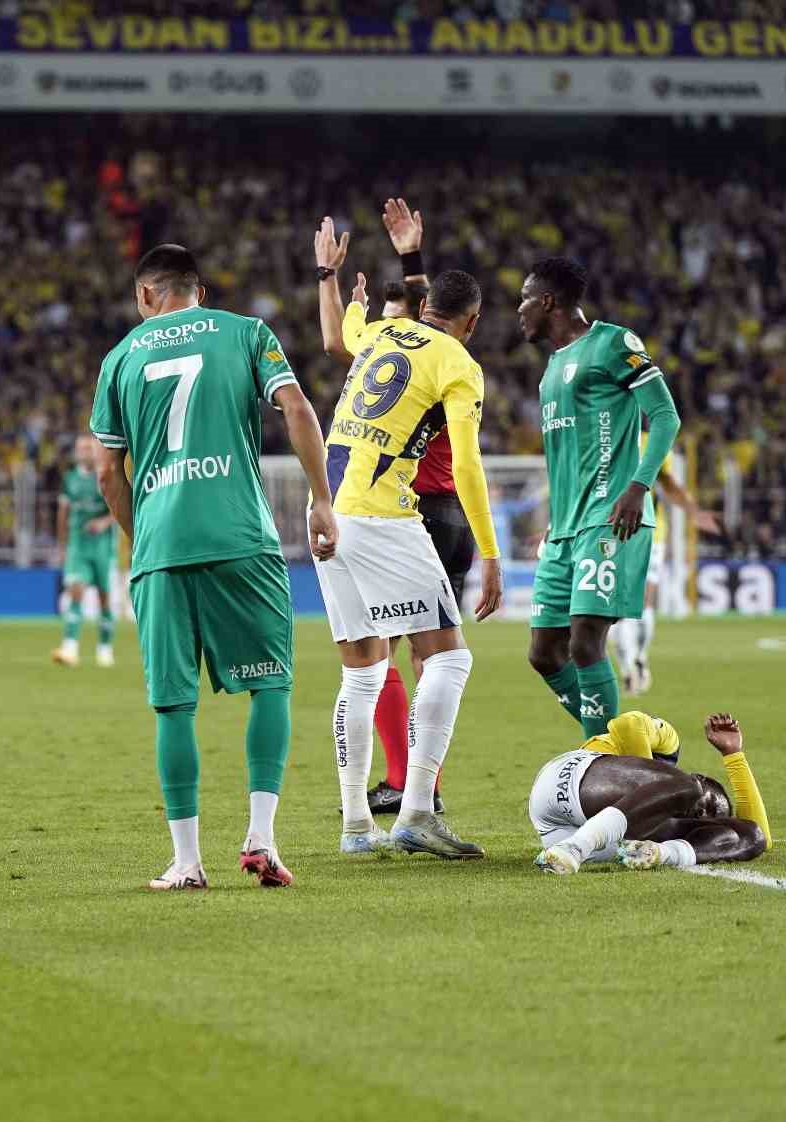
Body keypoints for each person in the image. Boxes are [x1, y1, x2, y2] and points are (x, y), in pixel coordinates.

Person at [90, 243, 337, 891]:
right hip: (241, 534)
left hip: (162, 544)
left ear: (147, 295)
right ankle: (262, 837)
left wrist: (143, 536)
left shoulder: (120, 358)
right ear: (199, 289)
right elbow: (299, 411)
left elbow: (106, 471)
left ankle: (187, 862)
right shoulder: (247, 332)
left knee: (173, 706)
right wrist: (321, 501)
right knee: (271, 685)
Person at [311, 217, 503, 860]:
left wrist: (334, 281)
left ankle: (355, 826)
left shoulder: (382, 332)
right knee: (449, 656)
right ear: (470, 322)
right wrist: (494, 553)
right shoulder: (459, 362)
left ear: (424, 308)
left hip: (326, 515)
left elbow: (343, 334)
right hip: (384, 514)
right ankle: (418, 809)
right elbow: (469, 466)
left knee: (363, 670)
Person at [317, 200, 462, 817]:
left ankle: (413, 789)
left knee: (410, 656)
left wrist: (406, 261)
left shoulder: (410, 353)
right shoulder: (421, 356)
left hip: (411, 510)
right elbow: (345, 336)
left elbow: (344, 337)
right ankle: (410, 785)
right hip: (400, 509)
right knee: (401, 656)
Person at [517, 258, 682, 738]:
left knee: (587, 643)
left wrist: (638, 486)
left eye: (524, 299)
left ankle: (605, 763)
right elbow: (568, 457)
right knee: (544, 653)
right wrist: (555, 516)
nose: (518, 311)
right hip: (565, 528)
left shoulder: (613, 343)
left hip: (611, 517)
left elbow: (665, 416)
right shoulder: (550, 370)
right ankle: (627, 749)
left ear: (548, 301)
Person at [530, 710, 770, 874]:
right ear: (698, 777)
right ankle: (575, 847)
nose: (699, 813)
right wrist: (650, 794)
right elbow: (628, 723)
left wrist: (734, 755)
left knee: (753, 836)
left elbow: (759, 837)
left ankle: (663, 855)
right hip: (569, 779)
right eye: (705, 803)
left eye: (705, 819)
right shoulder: (669, 752)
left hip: (564, 832)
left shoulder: (669, 828)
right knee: (687, 788)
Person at [611, 454, 721, 695]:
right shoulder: (653, 440)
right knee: (645, 603)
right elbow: (668, 483)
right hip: (651, 532)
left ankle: (627, 668)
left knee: (616, 608)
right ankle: (640, 657)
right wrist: (693, 511)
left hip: (612, 530)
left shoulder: (604, 432)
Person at [52, 433, 118, 668]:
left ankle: (105, 648)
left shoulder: (105, 476)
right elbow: (63, 513)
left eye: (89, 448)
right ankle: (70, 647)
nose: (85, 452)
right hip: (78, 546)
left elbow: (120, 507)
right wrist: (62, 546)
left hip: (102, 547)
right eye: (81, 448)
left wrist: (103, 522)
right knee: (76, 591)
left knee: (104, 599)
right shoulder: (69, 479)